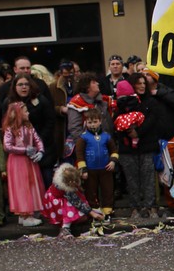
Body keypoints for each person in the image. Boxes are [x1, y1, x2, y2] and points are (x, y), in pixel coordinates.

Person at [4, 72, 57, 190]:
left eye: (26, 84)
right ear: (14, 87)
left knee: (46, 180)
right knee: (25, 186)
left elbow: (50, 121)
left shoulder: (41, 100)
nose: (24, 87)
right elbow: (6, 126)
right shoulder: (8, 102)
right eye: (20, 84)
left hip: (44, 146)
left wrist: (38, 141)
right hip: (20, 152)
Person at [113, 78, 157, 219]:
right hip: (127, 149)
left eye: (144, 83)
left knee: (148, 178)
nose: (142, 86)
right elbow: (115, 123)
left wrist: (138, 132)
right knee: (132, 180)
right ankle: (135, 208)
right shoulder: (119, 105)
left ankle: (150, 207)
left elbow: (152, 121)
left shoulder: (149, 102)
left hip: (146, 145)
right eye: (138, 83)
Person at [2, 101, 45, 226]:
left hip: (30, 161)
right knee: (21, 186)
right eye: (26, 111)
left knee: (32, 184)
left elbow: (37, 140)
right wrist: (25, 150)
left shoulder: (29, 127)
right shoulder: (10, 129)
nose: (28, 113)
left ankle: (28, 213)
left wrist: (41, 151)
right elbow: (7, 146)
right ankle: (25, 214)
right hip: (18, 162)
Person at [75, 108, 117, 216]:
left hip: (106, 169)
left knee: (108, 190)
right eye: (89, 122)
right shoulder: (83, 138)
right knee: (91, 191)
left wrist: (113, 161)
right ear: (86, 122)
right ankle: (94, 211)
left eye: (95, 122)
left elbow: (114, 151)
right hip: (90, 170)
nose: (92, 125)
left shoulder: (106, 136)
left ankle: (108, 210)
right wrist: (83, 169)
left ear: (100, 121)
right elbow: (79, 154)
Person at [43, 164, 103, 236]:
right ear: (71, 182)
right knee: (69, 206)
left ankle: (84, 213)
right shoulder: (66, 189)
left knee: (77, 200)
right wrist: (92, 213)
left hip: (55, 197)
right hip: (57, 203)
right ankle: (65, 228)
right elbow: (77, 202)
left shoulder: (65, 177)